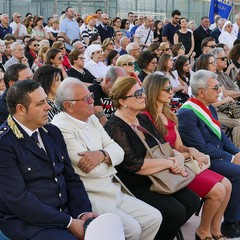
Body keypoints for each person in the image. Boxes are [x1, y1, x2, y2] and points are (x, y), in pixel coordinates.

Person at [52, 77, 162, 240]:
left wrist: (102, 155)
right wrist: (109, 158)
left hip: (111, 186)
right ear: (68, 105)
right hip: (91, 192)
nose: (92, 100)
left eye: (90, 95)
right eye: (85, 99)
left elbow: (118, 151)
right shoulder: (60, 127)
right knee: (131, 229)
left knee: (153, 217)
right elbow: (91, 170)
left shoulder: (91, 118)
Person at [104, 76, 200, 240]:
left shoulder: (142, 118)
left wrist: (177, 159)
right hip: (136, 182)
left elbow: (164, 146)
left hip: (159, 174)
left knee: (192, 201)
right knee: (175, 211)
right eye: (137, 94)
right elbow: (135, 165)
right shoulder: (114, 127)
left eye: (142, 92)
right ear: (122, 101)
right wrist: (170, 163)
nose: (143, 96)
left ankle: (165, 233)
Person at [0, 79, 96, 240]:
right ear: (21, 109)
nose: (49, 107)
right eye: (40, 103)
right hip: (28, 224)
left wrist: (83, 212)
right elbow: (19, 200)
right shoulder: (4, 144)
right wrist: (69, 223)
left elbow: (70, 178)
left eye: (46, 100)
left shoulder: (52, 132)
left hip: (65, 214)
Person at [142, 72, 231, 240]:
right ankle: (202, 231)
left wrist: (192, 151)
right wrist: (185, 154)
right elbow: (156, 152)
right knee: (219, 190)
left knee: (227, 184)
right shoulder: (146, 118)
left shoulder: (169, 115)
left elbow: (179, 146)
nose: (171, 92)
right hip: (167, 169)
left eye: (170, 87)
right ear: (155, 91)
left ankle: (215, 228)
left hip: (181, 163)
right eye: (167, 88)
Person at [177, 69, 240, 238]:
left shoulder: (209, 107)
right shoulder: (187, 113)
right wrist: (231, 159)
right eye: (216, 87)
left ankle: (230, 220)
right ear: (201, 92)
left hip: (217, 155)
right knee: (237, 173)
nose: (220, 90)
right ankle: (231, 223)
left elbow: (221, 137)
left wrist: (237, 153)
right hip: (204, 160)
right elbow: (201, 147)